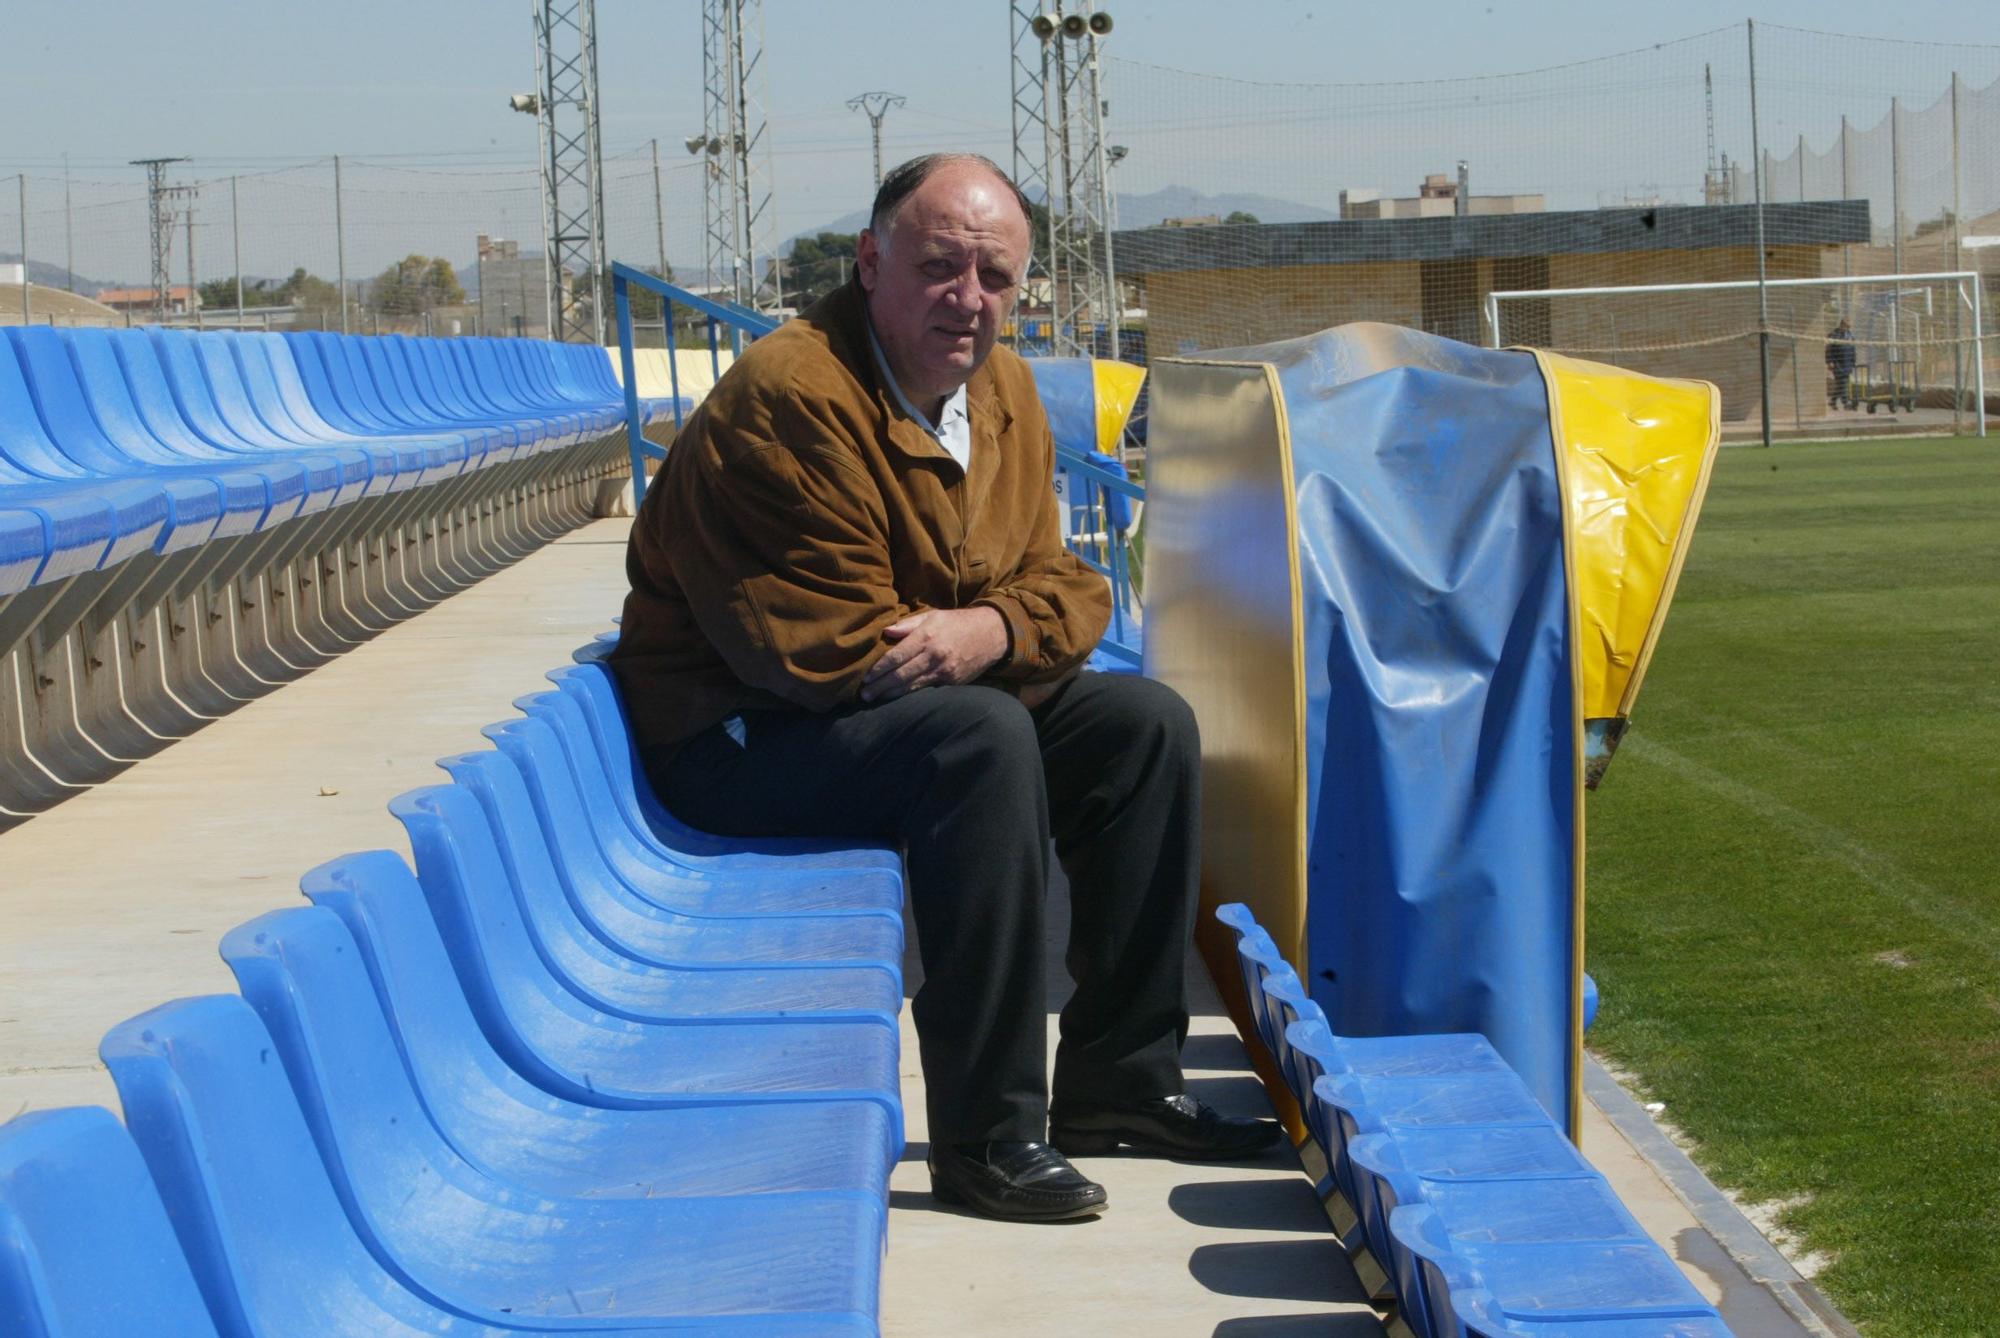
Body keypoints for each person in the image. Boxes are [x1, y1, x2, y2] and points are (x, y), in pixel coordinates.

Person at [610, 153, 1279, 1223]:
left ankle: (1122, 1084)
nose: (968, 302)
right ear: (870, 262)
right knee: (977, 744)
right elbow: (832, 653)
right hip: (737, 737)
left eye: (996, 279)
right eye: (937, 267)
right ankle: (986, 1137)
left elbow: (1063, 584)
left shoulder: (1000, 387)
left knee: (1140, 726)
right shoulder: (789, 399)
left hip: (898, 710)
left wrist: (992, 627)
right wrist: (997, 633)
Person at [1827, 318, 1856, 407]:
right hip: (1837, 363)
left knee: (1841, 383)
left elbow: (1853, 350)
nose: (1847, 328)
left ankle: (1832, 401)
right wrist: (1830, 361)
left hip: (1847, 363)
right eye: (1846, 326)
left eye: (1849, 327)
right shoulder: (1833, 335)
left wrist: (1853, 361)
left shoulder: (1850, 336)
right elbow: (1829, 350)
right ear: (1841, 325)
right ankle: (1845, 402)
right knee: (1842, 382)